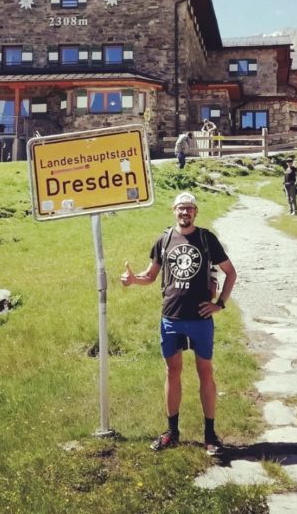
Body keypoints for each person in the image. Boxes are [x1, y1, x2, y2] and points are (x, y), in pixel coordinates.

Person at [121, 191, 237, 455]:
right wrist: (132, 280)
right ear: (173, 210)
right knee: (172, 372)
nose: (185, 213)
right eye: (181, 209)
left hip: (200, 318)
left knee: (205, 372)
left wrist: (219, 304)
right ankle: (172, 432)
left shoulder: (207, 239)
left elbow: (231, 272)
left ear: (195, 212)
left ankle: (210, 435)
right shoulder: (164, 240)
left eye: (190, 209)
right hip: (171, 317)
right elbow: (150, 276)